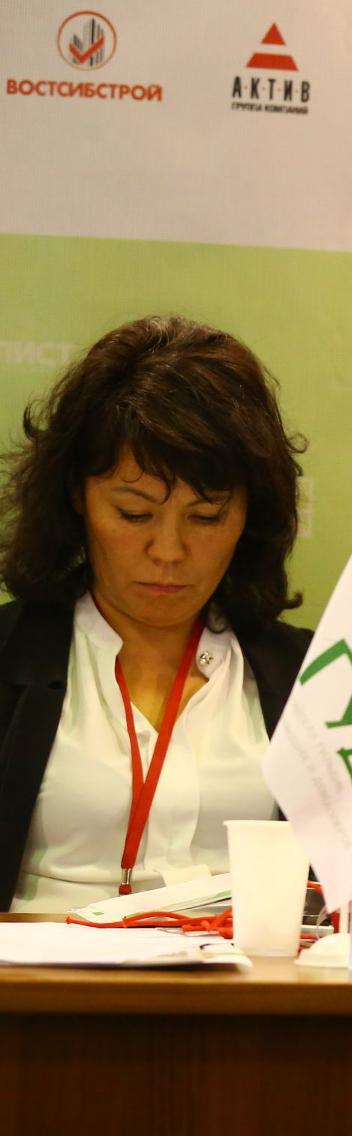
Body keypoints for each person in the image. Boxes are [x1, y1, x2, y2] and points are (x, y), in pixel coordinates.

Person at [0, 316, 312, 911]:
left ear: (250, 516)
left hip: (249, 967)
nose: (168, 551)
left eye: (206, 517)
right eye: (134, 513)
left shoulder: (314, 677)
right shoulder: (8, 656)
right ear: (77, 497)